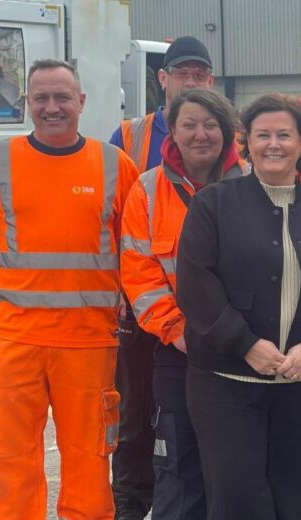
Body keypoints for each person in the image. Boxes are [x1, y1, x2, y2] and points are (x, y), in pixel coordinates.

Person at [0, 59, 140, 520]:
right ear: (27, 104)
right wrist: (15, 272)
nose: (52, 108)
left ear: (81, 101)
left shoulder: (116, 166)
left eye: (62, 97)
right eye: (41, 98)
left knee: (89, 460)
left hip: (89, 344)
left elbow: (133, 246)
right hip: (16, 342)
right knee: (10, 459)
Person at [177, 93, 301, 519]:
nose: (273, 144)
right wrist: (244, 343)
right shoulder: (214, 204)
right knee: (238, 501)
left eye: (284, 134)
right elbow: (195, 285)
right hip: (226, 385)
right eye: (263, 135)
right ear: (247, 143)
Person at [120, 89, 242, 519]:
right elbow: (141, 276)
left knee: (238, 467)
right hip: (178, 352)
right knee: (176, 464)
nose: (200, 134)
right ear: (172, 130)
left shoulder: (252, 179)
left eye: (210, 124)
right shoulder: (147, 191)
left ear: (226, 131)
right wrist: (181, 334)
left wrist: (240, 337)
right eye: (189, 124)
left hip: (243, 351)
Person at [109, 35, 216, 520]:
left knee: (200, 437)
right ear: (163, 79)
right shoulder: (130, 137)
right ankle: (132, 506)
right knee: (137, 424)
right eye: (182, 74)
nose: (190, 81)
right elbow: (119, 226)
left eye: (199, 74)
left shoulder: (235, 153)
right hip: (146, 312)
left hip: (215, 330)